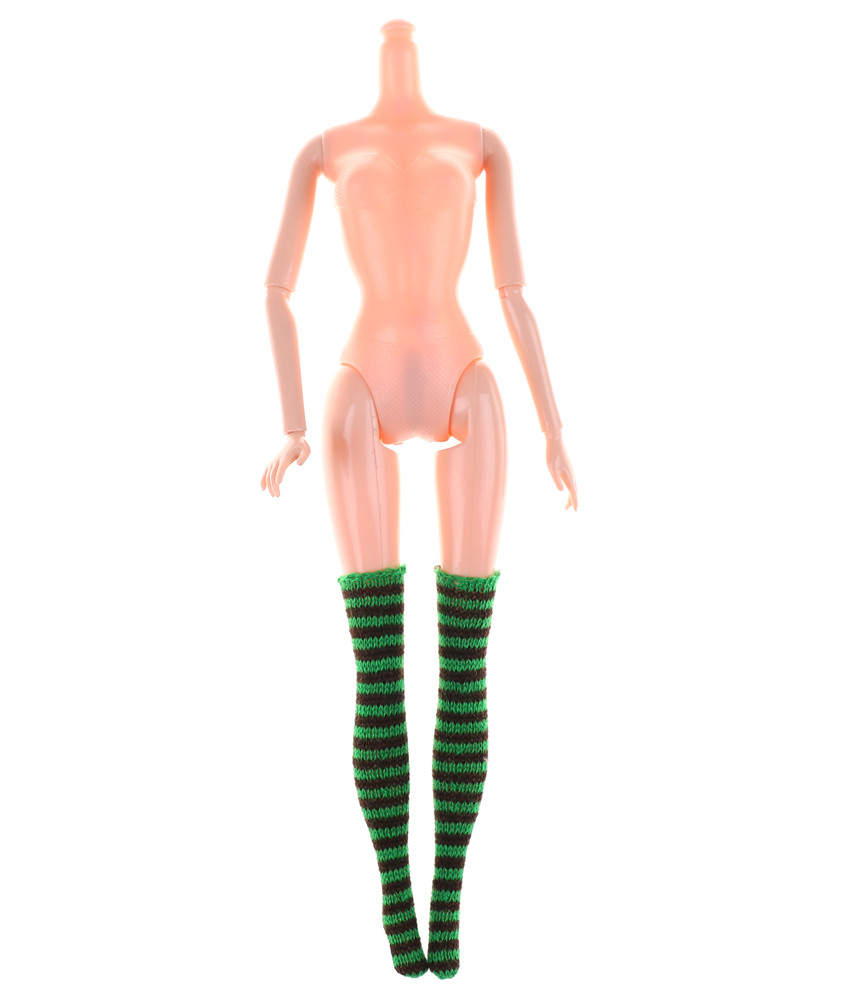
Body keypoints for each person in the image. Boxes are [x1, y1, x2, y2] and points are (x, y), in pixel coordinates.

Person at [260, 20, 577, 978]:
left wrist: (555, 427)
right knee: (381, 666)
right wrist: (292, 425)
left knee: (461, 663)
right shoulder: (326, 150)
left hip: (459, 377)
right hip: (365, 380)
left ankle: (447, 894)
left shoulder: (480, 145)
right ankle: (398, 892)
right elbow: (275, 291)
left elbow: (514, 294)